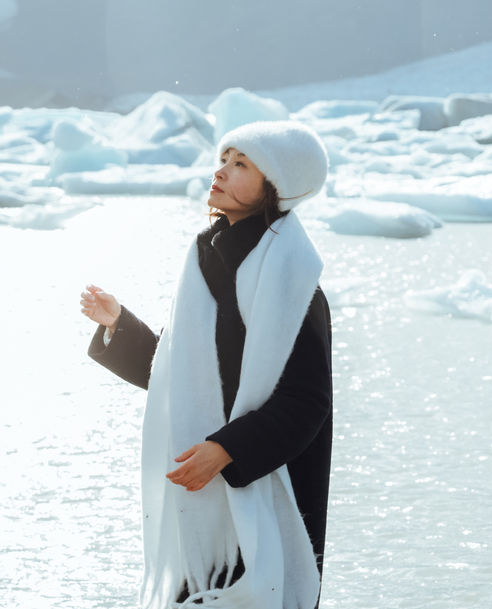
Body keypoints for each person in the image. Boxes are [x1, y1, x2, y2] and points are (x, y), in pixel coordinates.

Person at [81, 120, 332, 609]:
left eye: (241, 164)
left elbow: (306, 402)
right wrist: (120, 327)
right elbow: (184, 377)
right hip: (201, 487)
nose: (220, 171)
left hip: (260, 482)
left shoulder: (293, 280)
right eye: (224, 158)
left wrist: (226, 449)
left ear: (275, 186)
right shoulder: (204, 260)